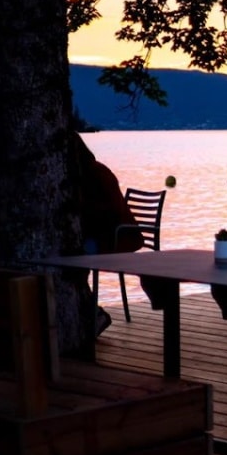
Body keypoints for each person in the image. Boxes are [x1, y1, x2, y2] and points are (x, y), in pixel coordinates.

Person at [72, 133, 144, 336]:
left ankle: (91, 312)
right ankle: (87, 310)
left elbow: (110, 212)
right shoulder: (84, 176)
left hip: (116, 238)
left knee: (75, 257)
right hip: (102, 235)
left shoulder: (97, 173)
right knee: (71, 254)